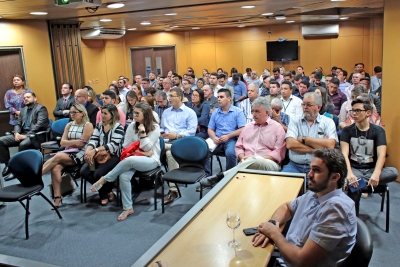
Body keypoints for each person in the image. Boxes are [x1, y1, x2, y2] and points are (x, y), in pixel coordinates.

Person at [253, 148, 357, 267]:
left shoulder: (336, 210)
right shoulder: (315, 193)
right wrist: (273, 222)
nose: (310, 174)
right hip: (286, 257)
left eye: (317, 171)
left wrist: (274, 234)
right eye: (311, 168)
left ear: (334, 177)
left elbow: (301, 261)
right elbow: (286, 207)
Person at [90, 102, 161, 221]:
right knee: (123, 176)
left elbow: (148, 148)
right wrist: (141, 151)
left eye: (137, 113)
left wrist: (142, 133)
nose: (134, 115)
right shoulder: (132, 126)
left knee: (130, 160)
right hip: (132, 159)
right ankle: (128, 208)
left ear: (145, 114)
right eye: (134, 112)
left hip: (151, 160)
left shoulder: (155, 127)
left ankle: (105, 179)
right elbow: (125, 145)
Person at [201, 97, 286, 187]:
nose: (254, 114)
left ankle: (222, 177)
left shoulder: (277, 128)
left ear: (267, 112)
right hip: (246, 161)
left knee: (257, 160)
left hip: (269, 163)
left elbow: (278, 153)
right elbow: (239, 147)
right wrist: (242, 157)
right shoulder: (248, 127)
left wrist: (254, 158)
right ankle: (226, 176)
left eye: (257, 111)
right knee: (251, 161)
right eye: (253, 111)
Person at [340, 97, 398, 216]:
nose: (354, 114)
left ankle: (355, 182)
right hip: (355, 169)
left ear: (368, 113)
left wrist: (376, 173)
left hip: (372, 169)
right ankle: (353, 222)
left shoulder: (378, 131)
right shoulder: (347, 131)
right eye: (352, 111)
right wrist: (350, 173)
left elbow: (382, 155)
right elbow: (344, 154)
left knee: (393, 172)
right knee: (354, 187)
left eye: (358, 111)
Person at [42, 103, 94, 208]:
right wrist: (73, 142)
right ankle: (57, 197)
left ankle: (37, 176)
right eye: (70, 112)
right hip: (68, 152)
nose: (71, 114)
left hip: (81, 154)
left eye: (74, 112)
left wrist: (69, 142)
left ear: (82, 113)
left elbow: (81, 145)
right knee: (55, 168)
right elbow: (62, 142)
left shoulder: (88, 125)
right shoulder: (69, 125)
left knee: (57, 157)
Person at [282, 92, 338, 181]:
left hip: (319, 167)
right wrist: (317, 149)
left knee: (322, 190)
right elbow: (290, 144)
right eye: (303, 104)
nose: (305, 107)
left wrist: (304, 139)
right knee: (282, 183)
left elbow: (330, 145)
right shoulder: (295, 120)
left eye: (309, 105)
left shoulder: (328, 122)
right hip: (294, 166)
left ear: (318, 107)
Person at [81, 104, 124, 206]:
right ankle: (107, 191)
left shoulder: (119, 127)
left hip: (114, 156)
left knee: (98, 173)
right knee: (84, 171)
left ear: (112, 115)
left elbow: (113, 145)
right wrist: (88, 151)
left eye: (105, 113)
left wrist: (94, 150)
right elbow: (93, 139)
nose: (102, 115)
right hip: (99, 154)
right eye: (102, 113)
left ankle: (102, 195)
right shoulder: (99, 125)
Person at [0, 92, 49, 178]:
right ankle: (9, 166)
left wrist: (27, 135)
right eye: (24, 98)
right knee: (1, 140)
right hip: (23, 134)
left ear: (35, 98)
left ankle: (18, 170)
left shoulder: (41, 108)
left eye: (28, 97)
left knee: (23, 144)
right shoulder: (23, 110)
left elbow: (40, 124)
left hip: (36, 136)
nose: (25, 99)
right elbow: (18, 124)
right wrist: (17, 133)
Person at [161, 88, 197, 205]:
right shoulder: (166, 112)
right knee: (150, 146)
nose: (169, 98)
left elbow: (191, 132)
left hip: (182, 143)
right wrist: (161, 133)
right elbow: (162, 128)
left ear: (180, 98)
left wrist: (176, 136)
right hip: (166, 142)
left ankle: (173, 190)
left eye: (172, 96)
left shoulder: (190, 113)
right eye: (169, 96)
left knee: (170, 153)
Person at [207, 88, 246, 172]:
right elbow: (210, 129)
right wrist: (214, 137)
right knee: (203, 150)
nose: (219, 99)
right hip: (216, 138)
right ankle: (207, 176)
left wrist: (228, 136)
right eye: (218, 97)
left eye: (221, 97)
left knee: (231, 153)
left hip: (231, 138)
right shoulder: (215, 112)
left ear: (229, 98)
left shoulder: (237, 112)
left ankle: (229, 176)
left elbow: (243, 129)